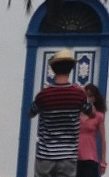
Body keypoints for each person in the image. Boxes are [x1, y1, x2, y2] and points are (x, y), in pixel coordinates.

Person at [29, 49, 92, 177]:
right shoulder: (78, 94)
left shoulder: (43, 95)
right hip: (68, 156)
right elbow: (91, 112)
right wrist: (83, 93)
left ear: (52, 69)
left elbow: (31, 113)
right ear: (71, 69)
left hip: (45, 155)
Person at [77, 84, 107, 177]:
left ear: (95, 99)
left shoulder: (98, 116)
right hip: (73, 157)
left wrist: (103, 161)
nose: (87, 99)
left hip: (90, 158)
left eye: (90, 96)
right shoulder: (75, 114)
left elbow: (103, 139)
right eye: (85, 96)